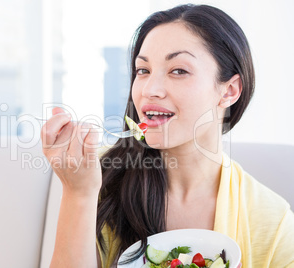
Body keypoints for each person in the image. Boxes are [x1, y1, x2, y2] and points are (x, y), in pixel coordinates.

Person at [41, 4, 294, 268]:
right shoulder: (95, 177)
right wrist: (79, 194)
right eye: (143, 70)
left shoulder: (273, 223)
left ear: (229, 91)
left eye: (178, 71)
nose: (150, 89)